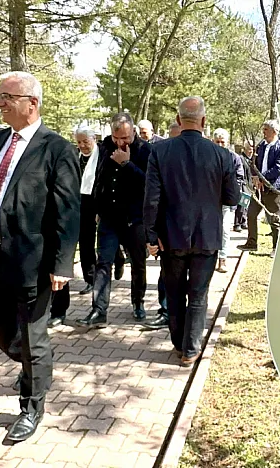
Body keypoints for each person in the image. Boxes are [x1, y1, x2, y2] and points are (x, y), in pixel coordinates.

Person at [0, 71, 80, 442]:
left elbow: (68, 212)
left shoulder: (57, 149)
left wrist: (63, 264)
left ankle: (31, 405)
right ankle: (37, 367)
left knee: (33, 336)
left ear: (32, 103)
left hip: (34, 260)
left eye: (7, 96)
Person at [144, 96, 240, 367]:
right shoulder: (222, 154)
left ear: (178, 120)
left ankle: (179, 343)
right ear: (204, 122)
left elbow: (151, 199)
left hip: (171, 236)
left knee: (174, 293)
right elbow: (232, 198)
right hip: (206, 235)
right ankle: (191, 348)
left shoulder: (160, 152)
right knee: (198, 294)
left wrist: (152, 235)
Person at [79, 112, 150, 327]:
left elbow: (149, 184)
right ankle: (99, 309)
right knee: (103, 262)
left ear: (133, 132)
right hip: (109, 217)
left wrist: (127, 164)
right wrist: (98, 207)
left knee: (138, 263)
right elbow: (98, 178)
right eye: (116, 137)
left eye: (125, 138)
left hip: (134, 219)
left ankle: (138, 302)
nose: (120, 142)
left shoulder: (145, 150)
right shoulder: (103, 148)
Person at [48, 127, 99, 327]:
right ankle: (55, 309)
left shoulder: (100, 156)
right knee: (58, 256)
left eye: (85, 142)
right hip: (64, 209)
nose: (82, 146)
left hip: (88, 207)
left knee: (86, 247)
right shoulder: (68, 156)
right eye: (79, 142)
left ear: (93, 139)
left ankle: (91, 279)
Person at [238, 120, 280, 258]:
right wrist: (255, 177)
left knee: (274, 219)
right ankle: (252, 243)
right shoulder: (261, 146)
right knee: (251, 214)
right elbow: (253, 164)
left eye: (266, 130)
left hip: (273, 189)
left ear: (274, 131)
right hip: (258, 188)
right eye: (263, 129)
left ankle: (277, 248)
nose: (263, 132)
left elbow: (279, 168)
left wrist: (262, 178)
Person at [212, 128, 245, 273]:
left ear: (227, 143)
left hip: (226, 202)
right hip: (209, 201)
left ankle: (222, 259)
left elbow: (239, 178)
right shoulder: (207, 155)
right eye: (217, 142)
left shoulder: (234, 158)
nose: (220, 145)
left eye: (222, 142)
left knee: (224, 230)